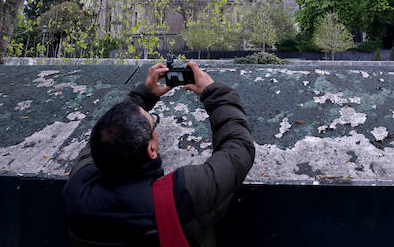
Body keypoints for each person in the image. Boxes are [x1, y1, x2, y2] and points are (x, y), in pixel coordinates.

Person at [63, 61, 255, 247]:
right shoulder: (182, 194)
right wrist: (213, 92)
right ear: (151, 149)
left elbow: (105, 135)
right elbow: (238, 148)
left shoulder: (77, 190)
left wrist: (144, 96)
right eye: (153, 123)